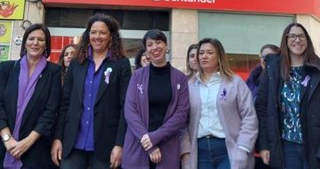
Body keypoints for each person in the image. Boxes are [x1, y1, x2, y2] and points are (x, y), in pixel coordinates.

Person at [52, 13, 132, 169]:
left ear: (111, 36)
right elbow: (65, 103)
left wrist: (120, 144)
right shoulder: (76, 63)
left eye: (102, 32)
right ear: (88, 35)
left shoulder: (121, 64)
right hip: (72, 143)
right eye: (93, 32)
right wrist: (57, 137)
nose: (97, 36)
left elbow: (125, 107)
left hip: (105, 145)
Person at [255, 23, 320, 169]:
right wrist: (263, 145)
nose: (297, 40)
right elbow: (261, 109)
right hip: (286, 147)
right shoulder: (273, 70)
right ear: (285, 40)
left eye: (301, 36)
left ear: (307, 40)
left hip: (315, 146)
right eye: (292, 36)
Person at [0, 23, 62, 169]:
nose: (35, 43)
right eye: (31, 38)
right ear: (25, 42)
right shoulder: (7, 68)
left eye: (40, 39)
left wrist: (27, 142)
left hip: (36, 149)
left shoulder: (54, 71)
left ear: (46, 45)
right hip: (2, 146)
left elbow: (50, 111)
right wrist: (8, 139)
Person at [184, 37, 258, 169]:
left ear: (219, 57)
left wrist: (243, 147)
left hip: (228, 150)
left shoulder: (235, 82)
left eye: (209, 53)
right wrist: (185, 152)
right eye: (201, 53)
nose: (204, 56)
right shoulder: (190, 85)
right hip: (200, 152)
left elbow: (249, 116)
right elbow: (182, 121)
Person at [123, 29, 190, 168]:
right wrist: (149, 144)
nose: (154, 47)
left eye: (158, 42)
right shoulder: (137, 76)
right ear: (146, 50)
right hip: (138, 144)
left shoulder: (180, 78)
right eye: (149, 44)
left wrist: (155, 137)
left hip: (167, 146)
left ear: (166, 46)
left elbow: (181, 114)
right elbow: (130, 111)